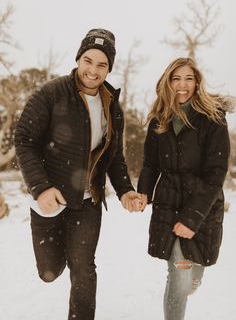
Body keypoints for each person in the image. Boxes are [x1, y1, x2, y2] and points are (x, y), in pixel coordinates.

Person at [14, 28, 141, 320]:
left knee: (83, 267)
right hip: (51, 198)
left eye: (102, 64)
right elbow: (24, 139)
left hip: (88, 201)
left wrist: (125, 190)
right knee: (50, 272)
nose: (93, 70)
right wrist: (40, 187)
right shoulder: (52, 92)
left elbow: (114, 157)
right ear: (78, 59)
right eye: (88, 60)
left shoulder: (112, 104)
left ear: (109, 68)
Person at [137, 57, 231, 320]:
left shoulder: (213, 119)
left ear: (197, 82)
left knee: (191, 277)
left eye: (188, 78)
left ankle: (193, 278)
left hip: (201, 207)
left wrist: (191, 219)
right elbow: (150, 163)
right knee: (177, 278)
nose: (182, 84)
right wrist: (143, 192)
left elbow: (216, 174)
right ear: (167, 82)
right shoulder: (159, 118)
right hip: (168, 206)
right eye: (176, 78)